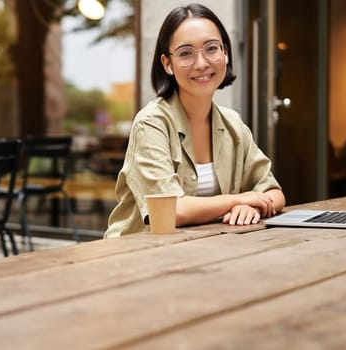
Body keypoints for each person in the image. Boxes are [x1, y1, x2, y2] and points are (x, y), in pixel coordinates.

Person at [104, 3, 285, 238]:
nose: (201, 63)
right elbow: (173, 210)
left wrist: (248, 206)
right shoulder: (150, 124)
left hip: (201, 252)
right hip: (135, 257)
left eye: (211, 49)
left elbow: (273, 190)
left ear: (226, 53)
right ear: (167, 64)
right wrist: (236, 199)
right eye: (186, 53)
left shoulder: (233, 124)